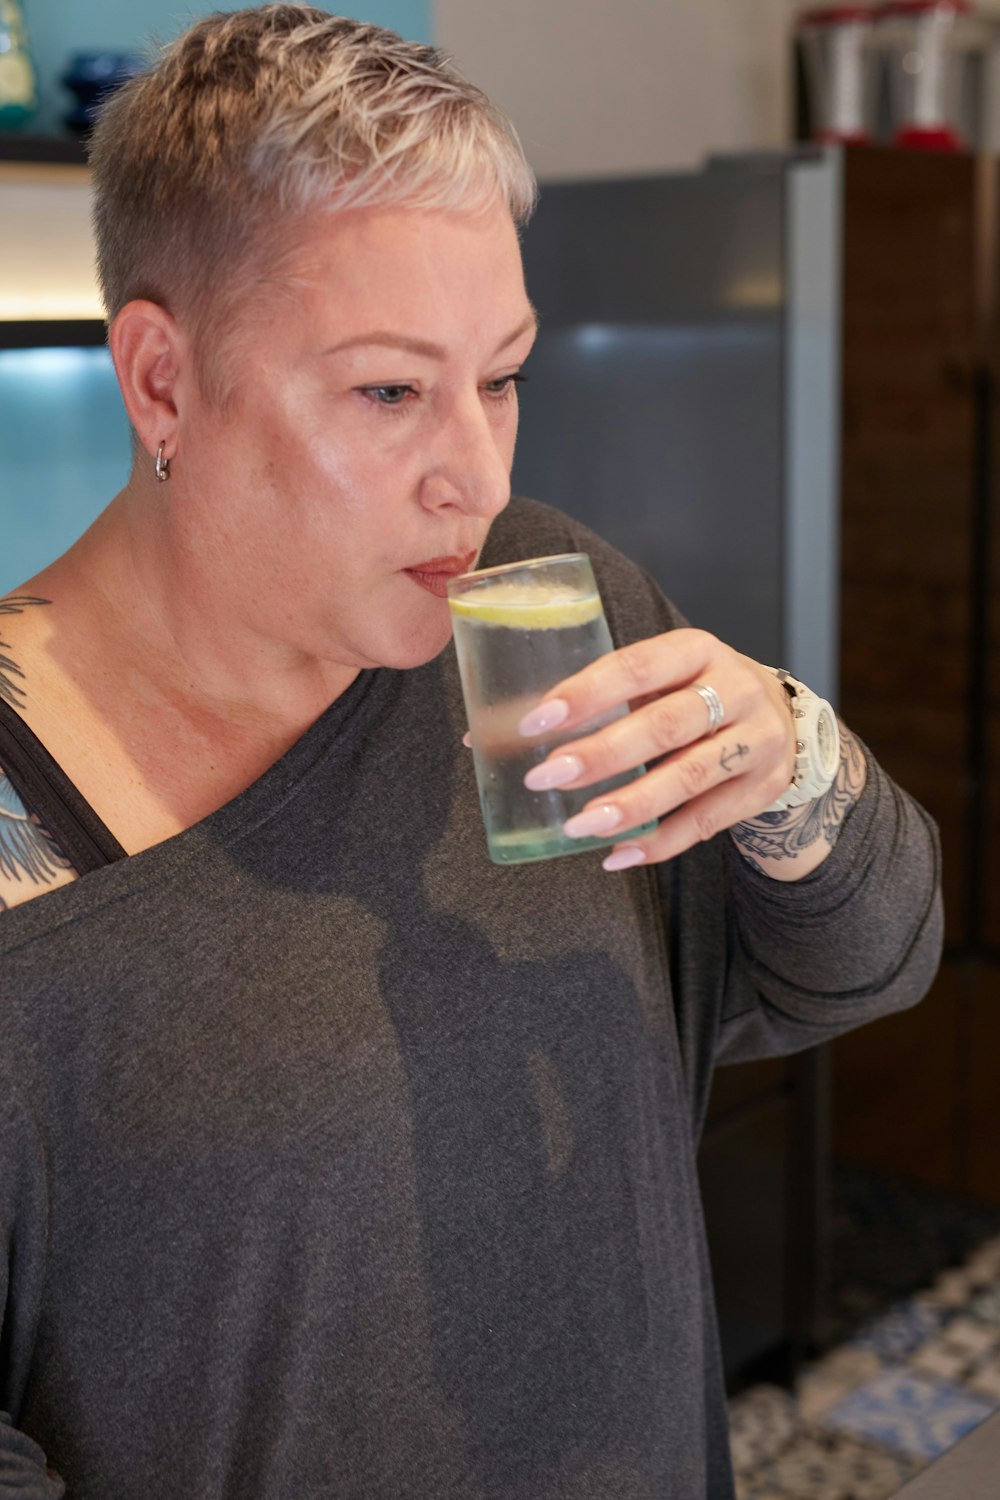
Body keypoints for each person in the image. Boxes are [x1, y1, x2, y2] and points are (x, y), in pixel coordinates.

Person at [0, 6, 941, 1498]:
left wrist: (794, 769)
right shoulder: (18, 825)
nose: (482, 475)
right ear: (162, 381)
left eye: (500, 375)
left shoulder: (549, 609)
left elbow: (868, 964)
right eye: (389, 392)